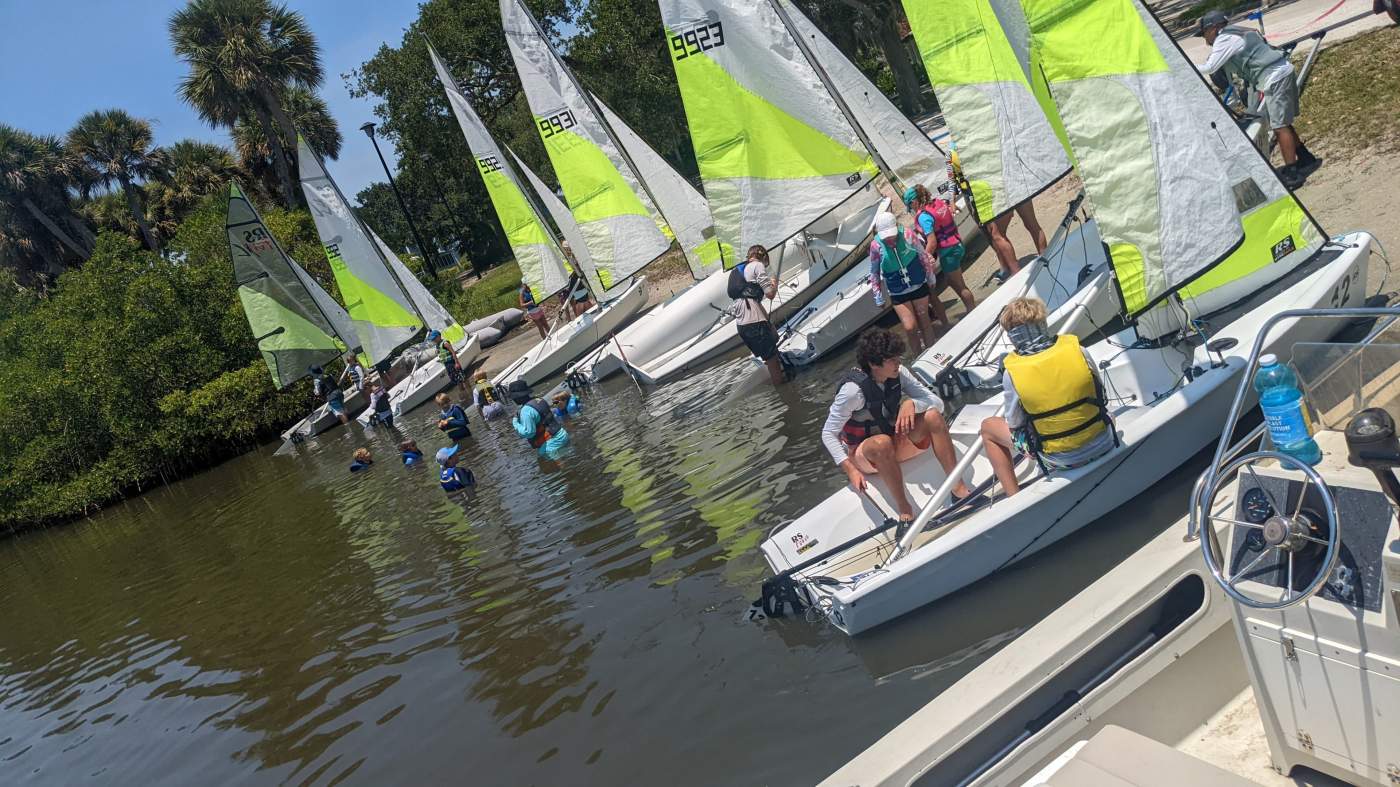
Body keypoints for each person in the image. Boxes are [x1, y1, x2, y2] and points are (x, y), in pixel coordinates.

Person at [822, 328, 975, 523]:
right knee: (881, 443)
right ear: (873, 364)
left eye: (898, 357)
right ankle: (906, 513)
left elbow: (937, 402)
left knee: (933, 416)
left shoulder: (899, 374)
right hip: (866, 454)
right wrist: (850, 470)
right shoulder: (852, 392)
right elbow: (828, 433)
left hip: (893, 441)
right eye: (892, 360)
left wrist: (912, 403)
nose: (898, 363)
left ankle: (959, 489)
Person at [978, 297, 1116, 496]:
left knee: (988, 427)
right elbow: (1101, 395)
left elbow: (1015, 424)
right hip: (1104, 440)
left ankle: (1014, 498)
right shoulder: (1079, 350)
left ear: (1012, 335)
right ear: (1043, 322)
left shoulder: (1012, 374)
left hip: (1062, 459)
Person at [1197, 11, 1320, 188]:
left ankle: (1293, 174)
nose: (1205, 40)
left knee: (1279, 126)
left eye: (1204, 33)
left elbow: (1210, 67)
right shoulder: (1238, 31)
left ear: (1214, 28)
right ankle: (1306, 158)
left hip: (1274, 77)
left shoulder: (1224, 38)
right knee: (1282, 122)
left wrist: (1183, 66)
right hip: (1279, 72)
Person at [869, 211, 938, 354]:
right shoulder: (876, 246)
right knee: (910, 327)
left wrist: (930, 277)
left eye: (892, 234)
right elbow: (874, 273)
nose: (889, 239)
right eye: (886, 236)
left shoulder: (907, 235)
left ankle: (933, 352)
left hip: (918, 284)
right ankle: (919, 358)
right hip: (898, 291)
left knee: (925, 320)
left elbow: (922, 256)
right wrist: (878, 296)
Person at [906, 185, 976, 316]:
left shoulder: (923, 216)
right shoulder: (938, 203)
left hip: (948, 252)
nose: (912, 210)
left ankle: (973, 311)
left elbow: (932, 241)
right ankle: (971, 309)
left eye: (910, 206)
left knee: (960, 286)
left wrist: (924, 259)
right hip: (956, 245)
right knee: (951, 281)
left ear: (914, 201)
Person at [729, 245, 785, 386]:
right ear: (763, 257)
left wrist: (769, 325)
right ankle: (783, 391)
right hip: (754, 322)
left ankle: (777, 378)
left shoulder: (739, 270)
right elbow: (770, 294)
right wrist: (774, 282)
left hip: (742, 325)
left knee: (772, 344)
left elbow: (752, 300)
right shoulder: (757, 265)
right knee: (772, 360)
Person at [508, 380, 571, 456]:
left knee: (554, 467)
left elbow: (529, 433)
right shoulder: (539, 399)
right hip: (562, 434)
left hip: (551, 444)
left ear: (518, 397)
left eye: (513, 397)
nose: (513, 400)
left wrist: (515, 423)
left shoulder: (525, 411)